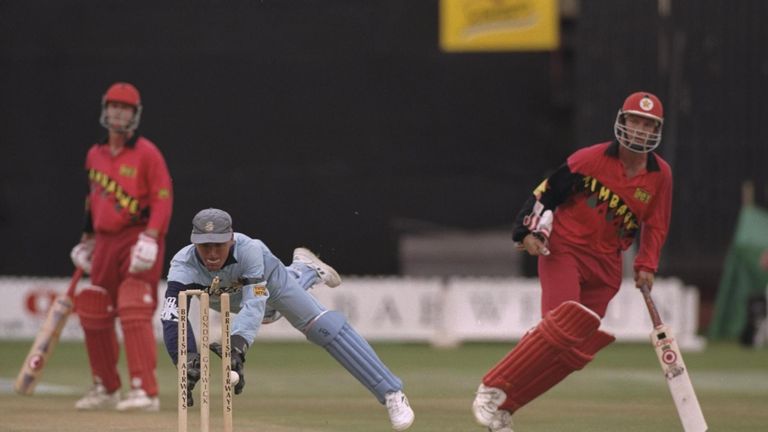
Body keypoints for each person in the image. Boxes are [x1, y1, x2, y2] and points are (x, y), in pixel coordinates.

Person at [472, 91, 673, 431]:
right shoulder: (589, 159)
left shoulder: (660, 175)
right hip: (566, 250)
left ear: (656, 130)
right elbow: (547, 192)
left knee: (572, 351)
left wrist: (647, 264)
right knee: (559, 328)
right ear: (622, 121)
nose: (640, 129)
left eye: (648, 124)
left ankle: (504, 408)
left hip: (607, 268)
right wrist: (526, 232)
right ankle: (491, 387)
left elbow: (656, 223)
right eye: (635, 121)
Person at [160, 208, 415, 431]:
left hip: (271, 282)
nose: (212, 254)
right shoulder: (183, 265)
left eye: (219, 245)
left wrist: (236, 347)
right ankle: (304, 269)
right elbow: (172, 316)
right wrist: (184, 358)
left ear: (231, 238)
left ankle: (391, 392)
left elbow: (254, 301)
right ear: (194, 243)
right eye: (205, 246)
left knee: (323, 328)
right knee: (271, 315)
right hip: (233, 297)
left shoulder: (249, 251)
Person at [69, 82, 173, 411]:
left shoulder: (147, 153)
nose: (118, 112)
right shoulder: (95, 154)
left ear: (134, 114)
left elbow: (163, 198)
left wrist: (152, 236)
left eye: (125, 108)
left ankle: (145, 391)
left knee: (133, 303)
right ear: (105, 109)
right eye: (114, 106)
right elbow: (93, 200)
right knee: (94, 306)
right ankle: (106, 386)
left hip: (136, 236)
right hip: (104, 241)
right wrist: (87, 238)